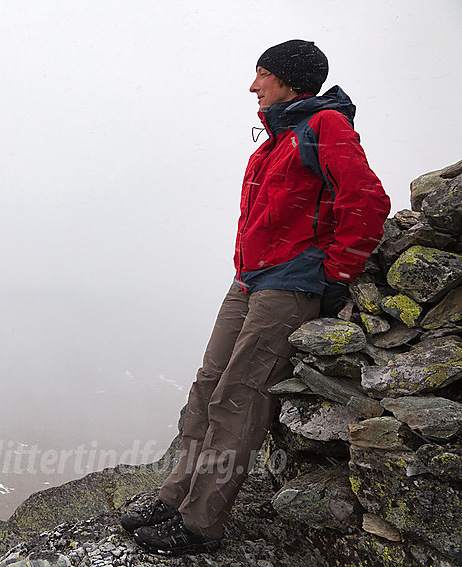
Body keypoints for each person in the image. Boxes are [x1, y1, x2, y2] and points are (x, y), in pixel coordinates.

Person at [121, 40, 391, 556]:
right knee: (207, 386)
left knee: (240, 397)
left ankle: (200, 523)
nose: (253, 85)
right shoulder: (274, 141)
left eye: (261, 74)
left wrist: (334, 271)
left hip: (288, 286)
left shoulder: (325, 126)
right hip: (248, 281)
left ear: (290, 80)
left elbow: (367, 199)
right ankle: (174, 495)